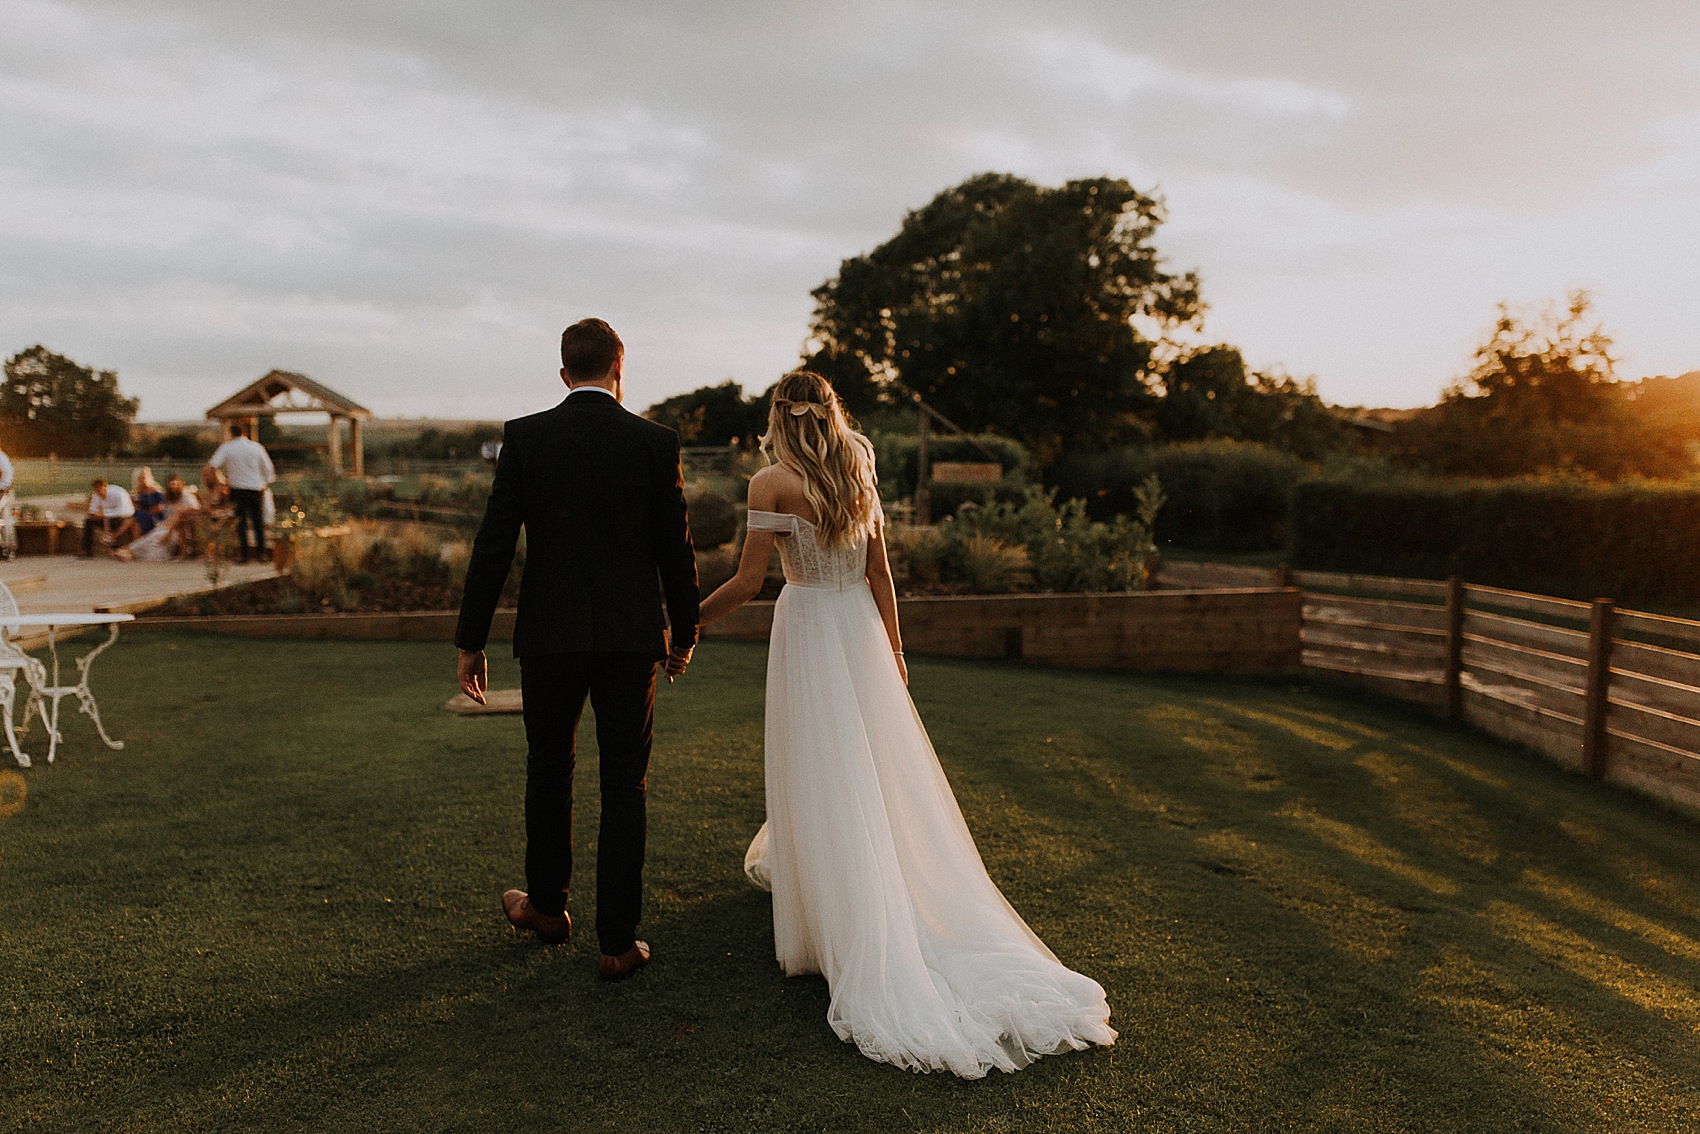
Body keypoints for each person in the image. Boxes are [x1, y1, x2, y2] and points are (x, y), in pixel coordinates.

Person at [697, 371, 1116, 1078]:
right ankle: (859, 888)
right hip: (858, 630)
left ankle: (839, 912)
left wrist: (685, 622)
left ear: (778, 416)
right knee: (872, 767)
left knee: (819, 765)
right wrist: (894, 649)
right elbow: (881, 573)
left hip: (806, 628)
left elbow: (746, 584)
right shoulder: (858, 463)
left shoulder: (770, 482)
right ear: (832, 413)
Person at [454, 318, 699, 981]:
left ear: (564, 374)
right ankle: (618, 943)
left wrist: (470, 641)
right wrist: (686, 628)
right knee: (625, 784)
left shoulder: (527, 438)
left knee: (549, 767)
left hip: (550, 637)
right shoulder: (654, 442)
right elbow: (675, 548)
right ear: (622, 366)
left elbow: (493, 544)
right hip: (628, 638)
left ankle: (549, 908)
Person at [208, 423, 275, 562]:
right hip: (256, 488)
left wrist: (221, 481)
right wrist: (264, 483)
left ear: (231, 433)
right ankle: (262, 554)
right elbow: (268, 468)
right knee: (258, 521)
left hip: (237, 488)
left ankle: (244, 555)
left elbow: (213, 465)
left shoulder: (227, 447)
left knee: (241, 522)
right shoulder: (256, 447)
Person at [113, 475, 200, 562]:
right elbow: (167, 516)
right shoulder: (169, 498)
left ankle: (130, 554)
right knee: (150, 538)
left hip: (178, 529)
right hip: (166, 526)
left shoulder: (186, 496)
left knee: (156, 547)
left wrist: (168, 533)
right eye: (171, 485)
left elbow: (194, 509)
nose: (173, 487)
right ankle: (128, 551)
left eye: (175, 484)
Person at [81, 477, 135, 556]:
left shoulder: (118, 494)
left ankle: (116, 548)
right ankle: (87, 550)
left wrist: (104, 513)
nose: (99, 492)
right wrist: (95, 515)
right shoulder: (96, 496)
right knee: (88, 521)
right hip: (106, 518)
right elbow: (92, 511)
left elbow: (123, 511)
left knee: (117, 522)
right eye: (96, 490)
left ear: (105, 486)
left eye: (100, 489)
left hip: (122, 517)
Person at [110, 468, 165, 546]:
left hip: (154, 518)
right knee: (134, 521)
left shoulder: (155, 491)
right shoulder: (137, 492)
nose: (143, 480)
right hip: (141, 518)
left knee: (134, 517)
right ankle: (136, 546)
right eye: (140, 478)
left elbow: (159, 507)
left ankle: (114, 537)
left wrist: (143, 512)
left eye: (144, 477)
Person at [0, 445, 14, 560]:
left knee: (6, 522)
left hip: (3, 493)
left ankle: (9, 550)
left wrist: (2, 490)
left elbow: (8, 475)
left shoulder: (1, 458)